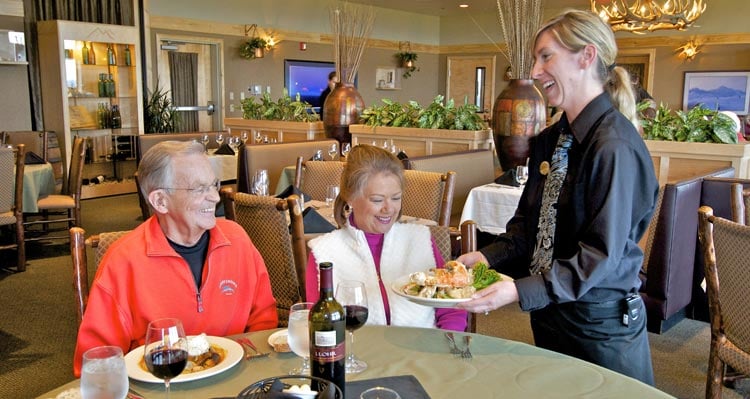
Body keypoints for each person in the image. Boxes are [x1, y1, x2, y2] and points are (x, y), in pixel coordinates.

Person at [457, 10, 658, 384]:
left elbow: (599, 255)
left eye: (546, 56)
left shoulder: (613, 146)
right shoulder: (551, 141)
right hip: (551, 316)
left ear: (587, 56)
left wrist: (518, 290)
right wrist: (483, 257)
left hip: (598, 325)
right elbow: (526, 230)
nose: (534, 71)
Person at [73, 140, 278, 376]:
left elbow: (263, 323)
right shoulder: (122, 262)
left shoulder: (238, 241)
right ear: (160, 201)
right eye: (199, 189)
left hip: (233, 381)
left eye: (213, 185)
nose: (215, 197)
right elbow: (96, 363)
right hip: (158, 387)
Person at [305, 144, 467, 331]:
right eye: (377, 200)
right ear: (350, 197)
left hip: (423, 352)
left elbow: (451, 305)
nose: (389, 208)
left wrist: (447, 343)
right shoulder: (325, 253)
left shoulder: (419, 239)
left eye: (396, 198)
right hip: (359, 355)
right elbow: (319, 326)